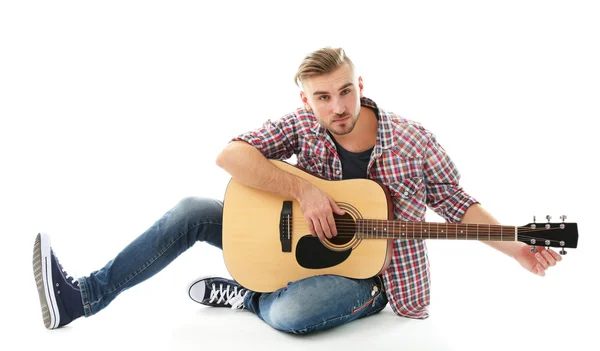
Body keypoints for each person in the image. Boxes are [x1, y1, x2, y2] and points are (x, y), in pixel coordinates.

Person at [32, 47, 563, 334]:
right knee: (192, 210)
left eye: (347, 91)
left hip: (369, 274)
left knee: (290, 316)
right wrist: (304, 193)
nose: (338, 107)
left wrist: (516, 246)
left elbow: (455, 204)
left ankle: (252, 294)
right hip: (290, 242)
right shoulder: (302, 125)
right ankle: (83, 297)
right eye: (323, 97)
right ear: (306, 99)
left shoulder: (412, 141)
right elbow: (231, 156)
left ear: (362, 85)